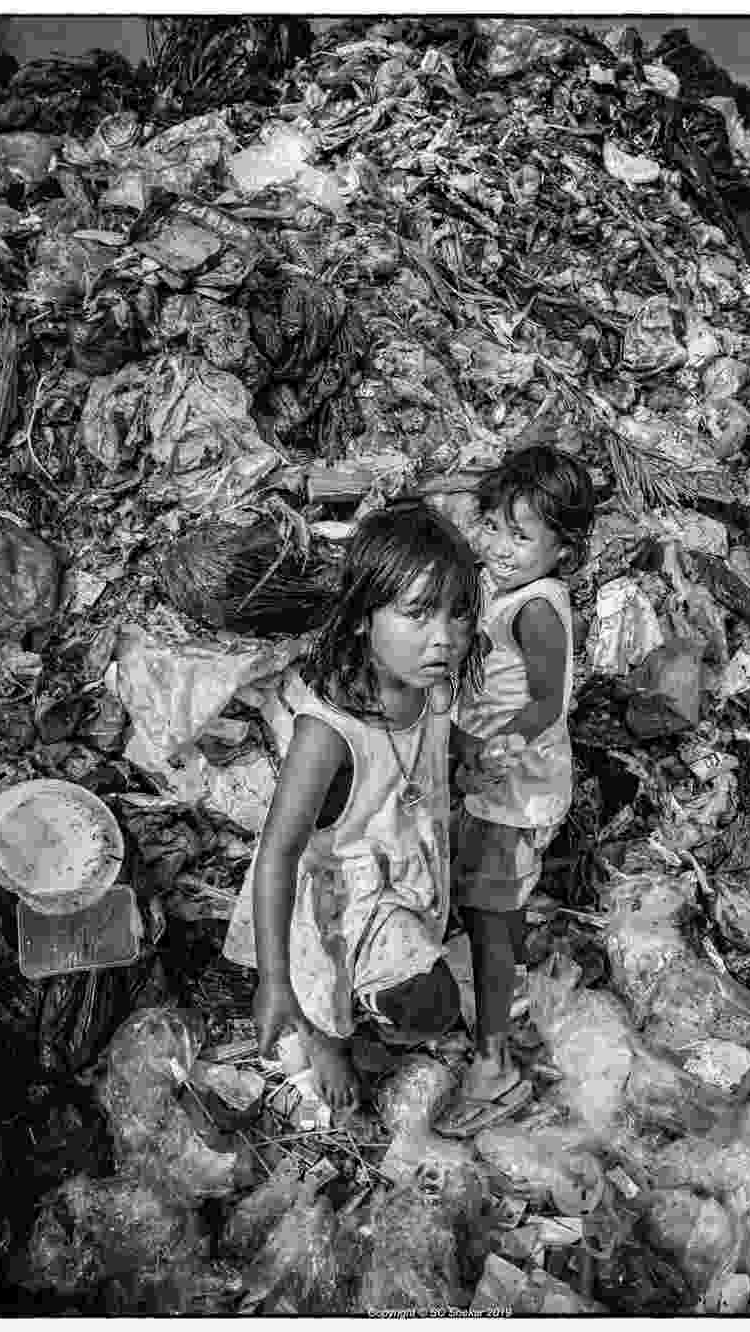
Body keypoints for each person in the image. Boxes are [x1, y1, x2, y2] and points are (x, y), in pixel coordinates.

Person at [222, 502, 484, 1113]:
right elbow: (279, 853)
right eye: (418, 614)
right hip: (339, 896)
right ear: (364, 618)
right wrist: (274, 981)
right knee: (378, 999)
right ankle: (326, 1038)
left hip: (401, 863)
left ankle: (358, 1010)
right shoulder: (330, 734)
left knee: (425, 993)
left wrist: (469, 755)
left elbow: (433, 742)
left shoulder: (430, 682)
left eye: (459, 615)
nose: (443, 637)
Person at [449, 444, 595, 1119]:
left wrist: (497, 743)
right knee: (485, 897)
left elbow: (549, 703)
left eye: (523, 535)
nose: (504, 547)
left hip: (518, 783)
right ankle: (503, 1005)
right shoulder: (490, 578)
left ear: (562, 549)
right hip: (487, 773)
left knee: (493, 908)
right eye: (498, 528)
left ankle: (494, 1057)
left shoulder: (537, 608)